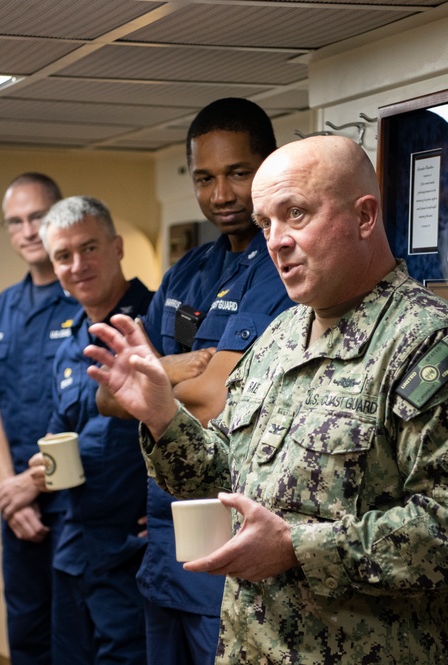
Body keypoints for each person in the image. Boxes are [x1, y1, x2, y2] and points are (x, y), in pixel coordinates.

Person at [85, 136, 448, 663]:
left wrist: (296, 549)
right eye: (266, 223)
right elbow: (223, 475)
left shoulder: (429, 345)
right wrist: (163, 415)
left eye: (297, 214)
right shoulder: (281, 337)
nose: (276, 241)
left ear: (365, 217)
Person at [115, 98, 294, 665]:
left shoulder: (283, 267)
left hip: (233, 545)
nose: (221, 194)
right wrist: (173, 372)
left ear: (267, 166)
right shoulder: (188, 271)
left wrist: (152, 377)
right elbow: (110, 391)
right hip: (165, 543)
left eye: (238, 173)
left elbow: (219, 397)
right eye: (205, 178)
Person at [29, 196, 154, 665]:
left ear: (117, 247)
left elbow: (200, 423)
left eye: (89, 248)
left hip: (134, 552)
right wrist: (39, 469)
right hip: (76, 545)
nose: (77, 265)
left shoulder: (157, 324)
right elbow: (60, 434)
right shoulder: (70, 343)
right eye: (63, 256)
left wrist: (167, 509)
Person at [0, 173, 81, 665]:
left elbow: (97, 416)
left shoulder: (85, 298)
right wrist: (9, 492)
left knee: (75, 636)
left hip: (75, 500)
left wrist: (32, 486)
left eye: (37, 217)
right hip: (18, 501)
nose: (26, 230)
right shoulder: (4, 306)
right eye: (14, 222)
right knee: (27, 630)